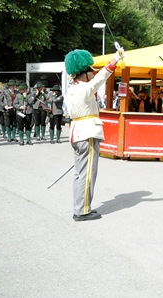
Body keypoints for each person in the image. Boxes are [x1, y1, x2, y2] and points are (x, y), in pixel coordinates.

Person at [65, 46, 124, 222]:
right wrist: (116, 58)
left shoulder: (71, 89)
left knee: (80, 173)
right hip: (87, 132)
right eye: (90, 72)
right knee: (87, 173)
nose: (92, 74)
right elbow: (101, 77)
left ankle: (80, 207)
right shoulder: (83, 89)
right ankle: (82, 210)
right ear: (84, 74)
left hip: (77, 132)